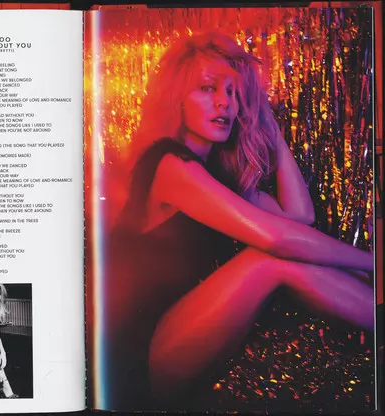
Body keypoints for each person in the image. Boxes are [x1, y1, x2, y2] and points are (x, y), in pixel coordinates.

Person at [102, 32, 374, 410]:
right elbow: (278, 240)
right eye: (208, 88)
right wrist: (373, 262)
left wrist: (270, 127)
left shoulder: (217, 177)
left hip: (186, 340)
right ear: (176, 98)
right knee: (267, 258)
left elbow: (299, 218)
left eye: (233, 92)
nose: (224, 102)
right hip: (142, 360)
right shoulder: (167, 164)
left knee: (286, 252)